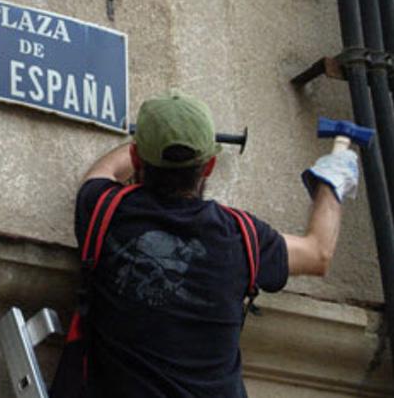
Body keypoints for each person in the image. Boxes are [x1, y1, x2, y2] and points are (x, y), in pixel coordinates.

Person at [74, 91, 359, 397]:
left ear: (135, 158)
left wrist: (149, 142)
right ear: (209, 165)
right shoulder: (242, 236)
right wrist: (332, 179)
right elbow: (318, 253)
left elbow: (103, 172)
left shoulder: (106, 211)